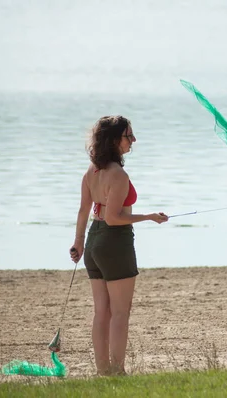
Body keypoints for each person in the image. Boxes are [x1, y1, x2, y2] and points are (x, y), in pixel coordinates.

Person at [70, 115, 168, 375]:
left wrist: (78, 244)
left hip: (93, 242)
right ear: (114, 140)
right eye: (128, 136)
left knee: (101, 310)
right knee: (120, 313)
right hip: (115, 242)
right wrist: (148, 216)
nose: (133, 140)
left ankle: (103, 371)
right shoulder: (119, 175)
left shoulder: (91, 172)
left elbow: (83, 212)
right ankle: (118, 370)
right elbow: (115, 218)